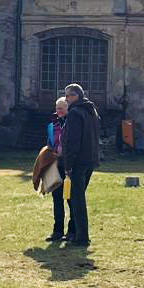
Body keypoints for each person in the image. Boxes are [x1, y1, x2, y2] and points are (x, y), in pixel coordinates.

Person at [60, 83, 101, 248]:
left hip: (78, 161)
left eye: (68, 95)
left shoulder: (76, 113)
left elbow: (72, 142)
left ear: (76, 96)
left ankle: (82, 236)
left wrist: (68, 165)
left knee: (77, 200)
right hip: (90, 160)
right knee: (77, 198)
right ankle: (75, 232)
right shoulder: (92, 112)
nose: (66, 99)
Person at [40, 96, 69, 242]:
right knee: (57, 198)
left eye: (62, 108)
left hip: (69, 166)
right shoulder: (52, 126)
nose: (59, 111)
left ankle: (72, 232)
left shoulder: (72, 123)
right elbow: (49, 143)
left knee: (71, 199)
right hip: (56, 166)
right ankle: (57, 231)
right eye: (57, 108)